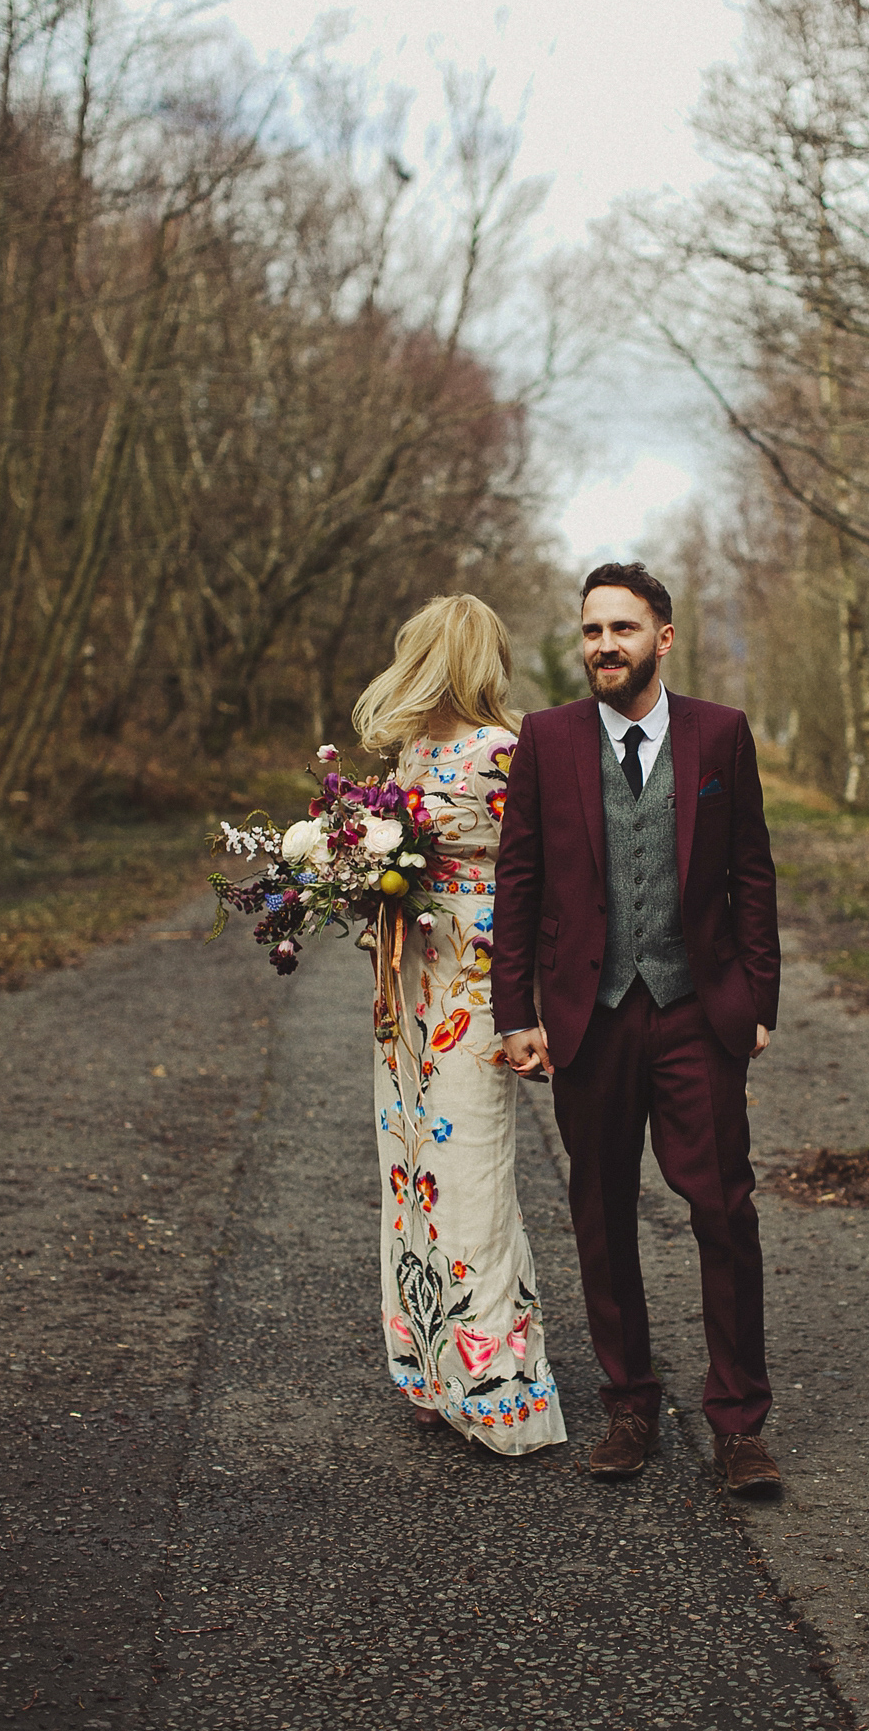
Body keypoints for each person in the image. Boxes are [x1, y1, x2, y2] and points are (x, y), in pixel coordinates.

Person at [492, 561, 781, 1491]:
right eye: (590, 631)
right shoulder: (546, 739)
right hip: (592, 1013)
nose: (602, 646)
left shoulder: (721, 736)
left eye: (621, 629)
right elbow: (520, 880)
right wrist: (515, 1014)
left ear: (662, 638)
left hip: (698, 1009)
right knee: (603, 1211)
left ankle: (738, 1423)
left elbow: (753, 876)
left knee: (723, 1210)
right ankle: (629, 1406)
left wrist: (758, 1001)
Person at [352, 594, 566, 1455]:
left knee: (471, 1170)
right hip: (406, 977)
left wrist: (536, 1005)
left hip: (474, 983)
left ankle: (499, 1386)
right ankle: (430, 1364)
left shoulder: (510, 753)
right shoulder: (413, 749)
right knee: (409, 1169)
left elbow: (546, 877)